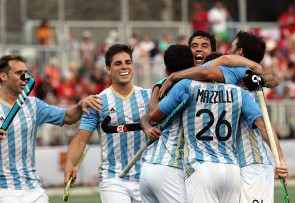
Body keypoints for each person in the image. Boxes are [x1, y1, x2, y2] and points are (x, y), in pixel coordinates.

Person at [158, 30, 288, 203]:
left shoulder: (237, 73)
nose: (227, 52)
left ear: (239, 53)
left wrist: (280, 160)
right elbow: (273, 79)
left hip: (253, 161)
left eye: (231, 48)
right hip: (235, 165)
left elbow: (264, 123)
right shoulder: (245, 76)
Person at [0, 55, 101, 203]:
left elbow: (67, 116)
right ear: (3, 76)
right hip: (4, 190)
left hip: (34, 187)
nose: (24, 77)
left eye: (26, 72)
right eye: (18, 73)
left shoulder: (34, 105)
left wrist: (80, 105)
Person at [64, 44, 152, 203]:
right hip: (113, 178)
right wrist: (70, 163)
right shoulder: (97, 101)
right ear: (108, 69)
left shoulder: (149, 96)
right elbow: (81, 139)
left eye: (128, 62)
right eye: (118, 63)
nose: (124, 67)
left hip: (146, 177)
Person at [139, 44, 194, 203]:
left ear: (166, 71)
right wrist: (148, 127)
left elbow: (147, 116)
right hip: (171, 167)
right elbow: (150, 116)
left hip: (148, 167)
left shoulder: (160, 87)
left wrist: (148, 126)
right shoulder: (191, 87)